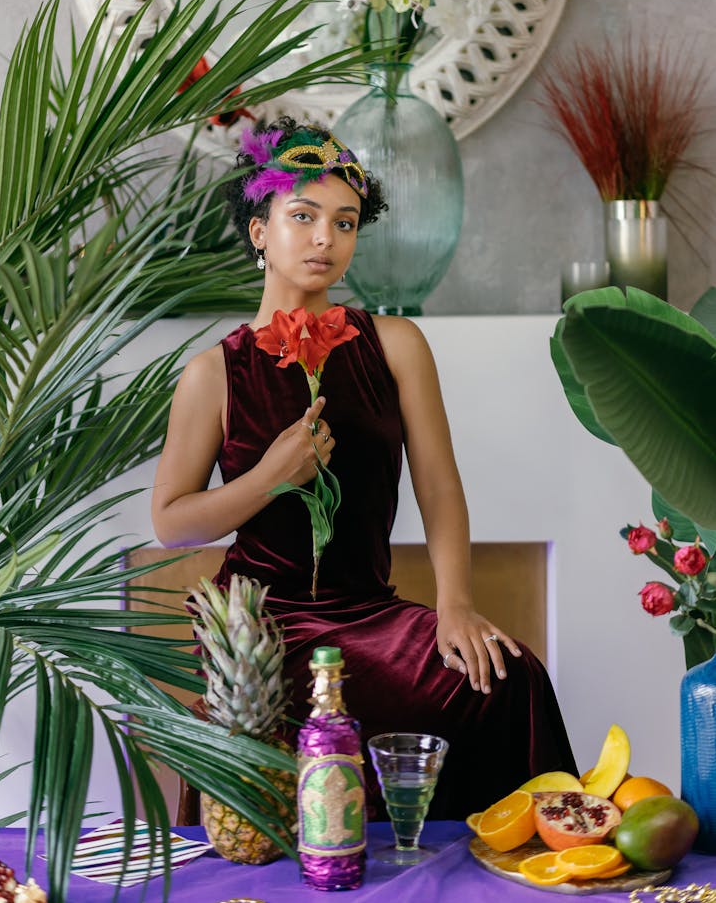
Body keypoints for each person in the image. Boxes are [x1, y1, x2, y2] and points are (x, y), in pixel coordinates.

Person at [151, 117, 577, 818]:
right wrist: (270, 477)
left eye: (345, 222)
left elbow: (439, 485)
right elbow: (169, 521)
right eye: (304, 216)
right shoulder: (213, 373)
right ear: (259, 230)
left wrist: (455, 604)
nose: (326, 238)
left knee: (508, 675)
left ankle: (512, 868)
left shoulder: (397, 344)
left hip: (369, 611)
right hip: (265, 631)